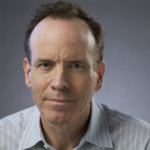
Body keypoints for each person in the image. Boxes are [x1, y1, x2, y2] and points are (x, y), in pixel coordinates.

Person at [0, 1, 150, 150]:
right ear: (28, 74)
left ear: (99, 76)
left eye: (76, 66)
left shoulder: (143, 143)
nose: (59, 83)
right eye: (45, 65)